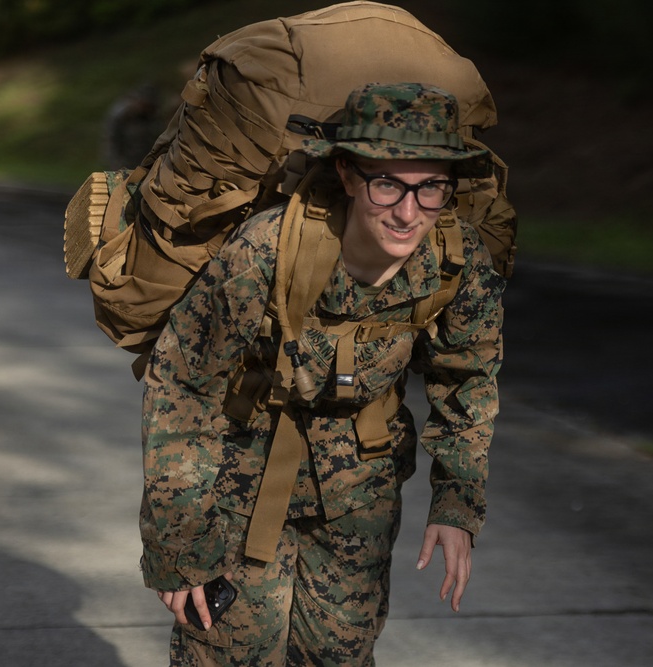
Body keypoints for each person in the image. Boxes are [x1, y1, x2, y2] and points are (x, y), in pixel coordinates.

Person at [140, 82, 505, 665]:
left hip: (359, 498)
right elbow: (183, 385)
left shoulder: (455, 263)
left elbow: (469, 380)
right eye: (387, 184)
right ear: (348, 173)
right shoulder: (267, 250)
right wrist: (180, 545)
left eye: (431, 186)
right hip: (237, 488)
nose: (408, 211)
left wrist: (456, 505)